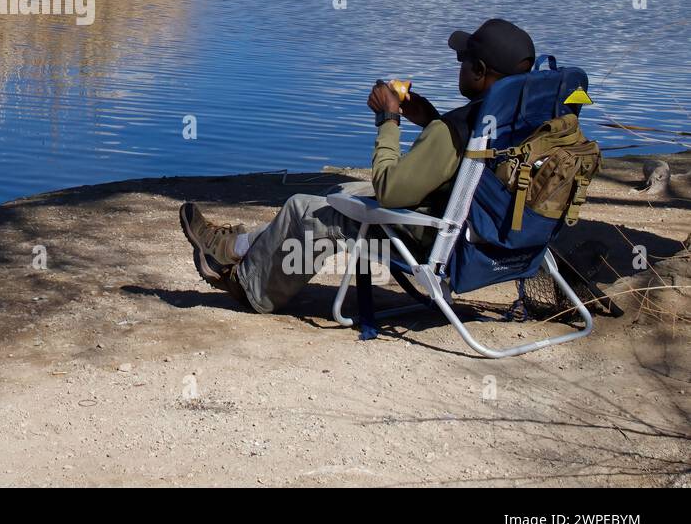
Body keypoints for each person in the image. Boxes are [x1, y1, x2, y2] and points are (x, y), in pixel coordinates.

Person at [178, 19, 537, 312]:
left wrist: (388, 120)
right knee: (339, 193)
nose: (458, 65)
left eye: (463, 60)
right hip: (497, 237)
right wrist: (430, 119)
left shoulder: (455, 131)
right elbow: (470, 161)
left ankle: (250, 287)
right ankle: (234, 247)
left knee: (307, 211)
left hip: (438, 238)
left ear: (478, 70)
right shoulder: (522, 119)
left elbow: (390, 190)